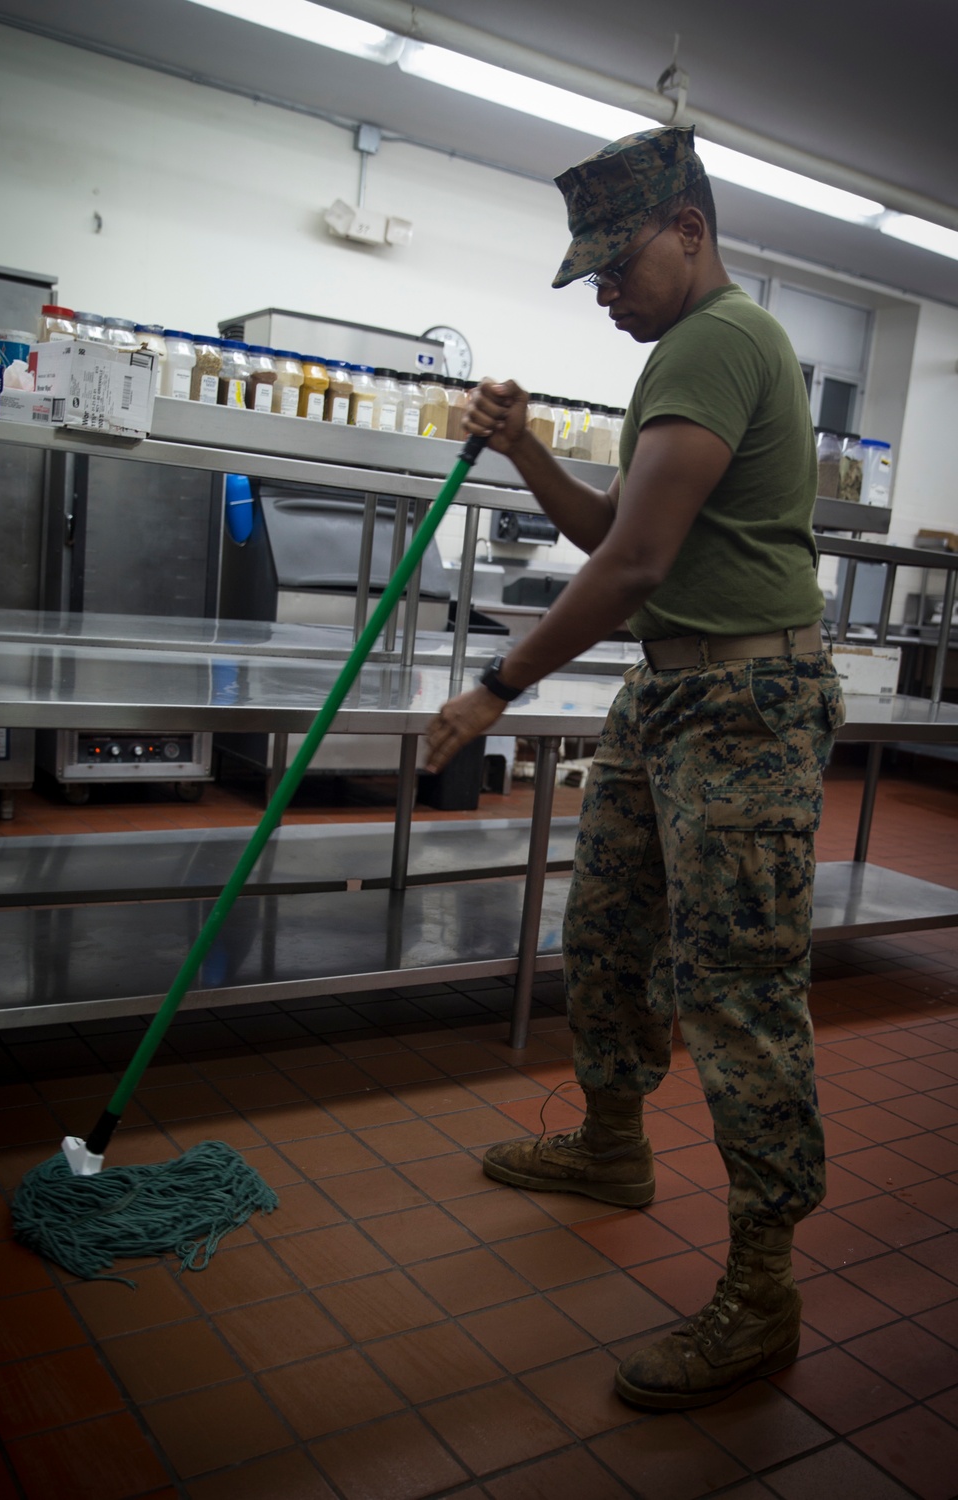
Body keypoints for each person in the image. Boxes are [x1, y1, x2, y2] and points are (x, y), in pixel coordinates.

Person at [424, 124, 845, 1411]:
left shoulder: (718, 341)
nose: (604, 288)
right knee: (608, 930)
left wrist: (496, 685)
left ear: (689, 231)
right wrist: (524, 450)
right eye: (592, 271)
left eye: (617, 264)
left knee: (735, 990)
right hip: (672, 695)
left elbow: (633, 570)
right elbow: (619, 528)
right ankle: (612, 1147)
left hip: (744, 707)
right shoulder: (681, 352)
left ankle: (762, 1291)